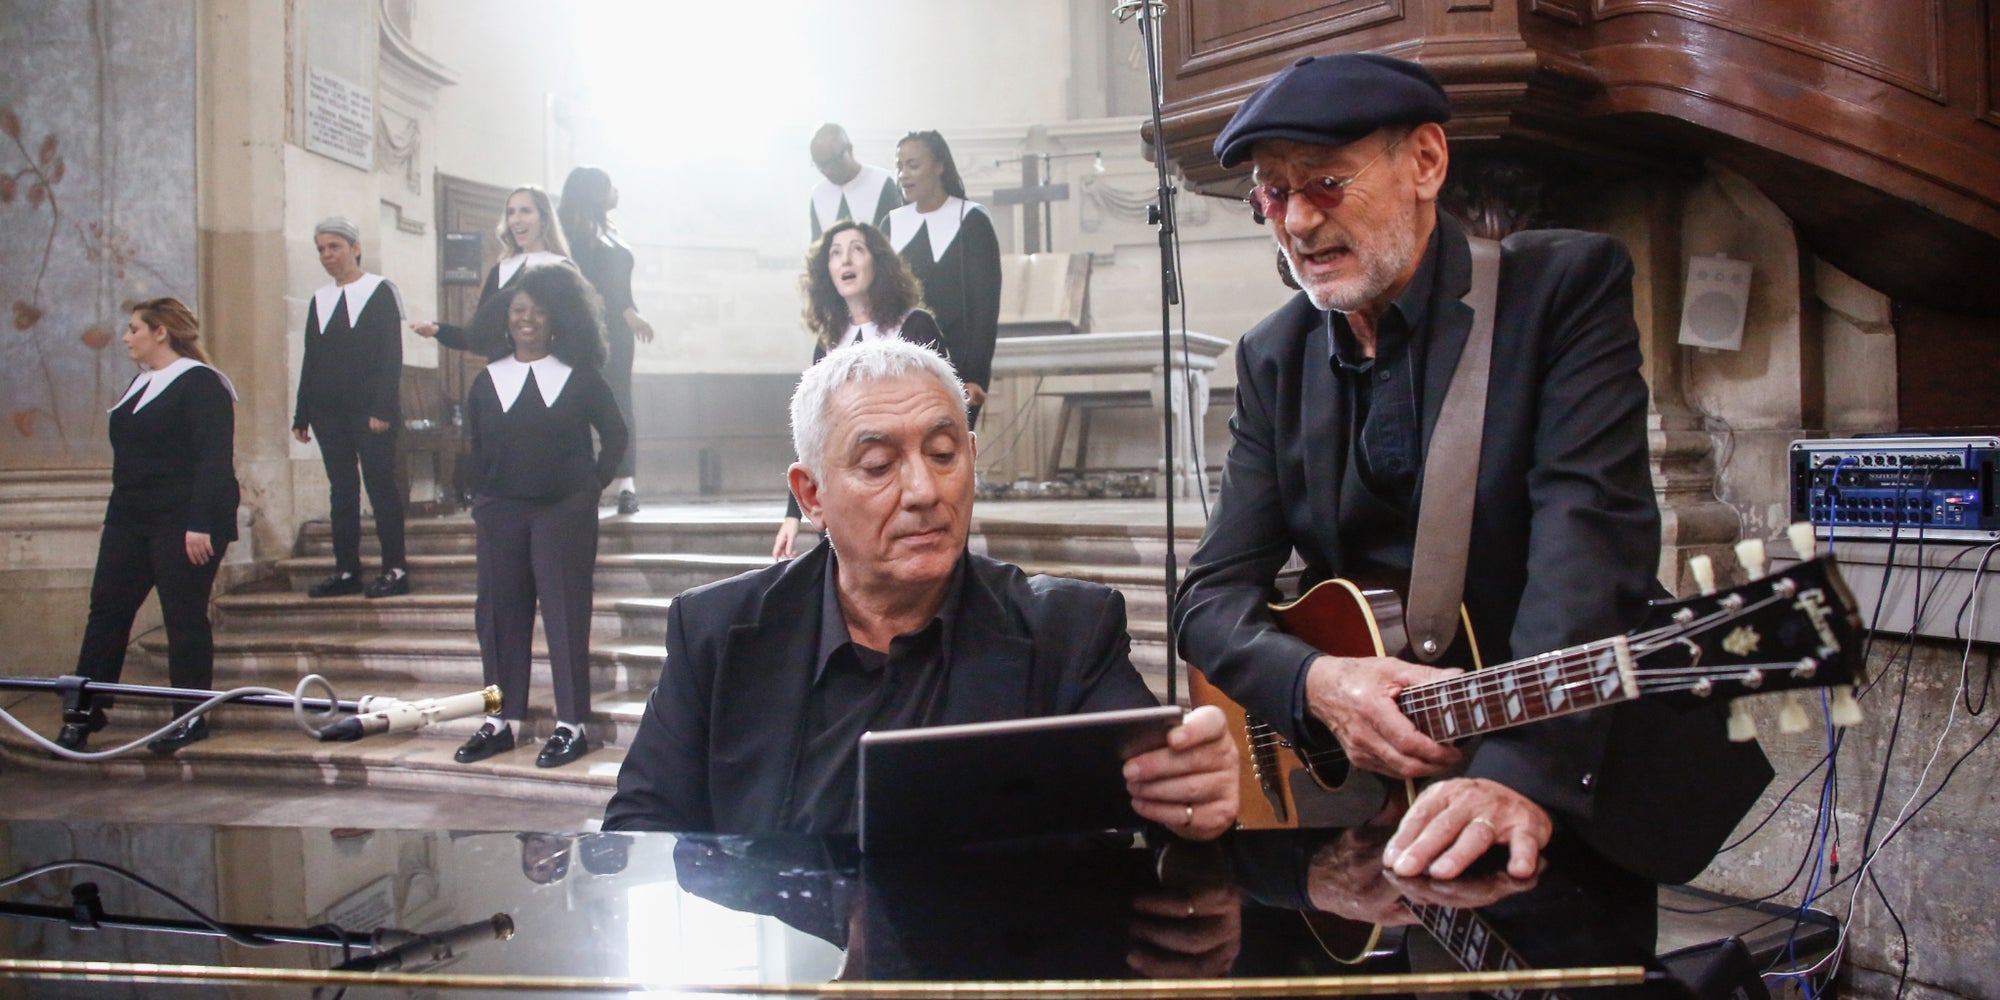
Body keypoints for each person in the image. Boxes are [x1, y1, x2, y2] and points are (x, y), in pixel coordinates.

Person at [1175, 54, 1771, 889]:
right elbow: (1207, 601)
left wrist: (1519, 769)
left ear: (1425, 162)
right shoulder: (1273, 356)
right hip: (1380, 814)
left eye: (1326, 185)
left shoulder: (1558, 289)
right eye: (1273, 195)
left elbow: (1589, 538)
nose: (1299, 222)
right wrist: (1318, 683)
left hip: (1567, 780)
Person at [605, 338, 1238, 838]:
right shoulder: (717, 632)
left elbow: (1147, 814)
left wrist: (1191, 799)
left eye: (942, 454)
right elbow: (640, 831)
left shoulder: (1067, 632)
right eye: (878, 465)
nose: (924, 491)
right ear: (812, 495)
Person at [453, 265, 629, 769]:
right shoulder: (488, 380)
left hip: (562, 511)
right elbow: (477, 445)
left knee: (565, 615)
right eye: (518, 310)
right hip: (500, 512)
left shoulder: (579, 377)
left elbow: (616, 434)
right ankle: (499, 721)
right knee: (497, 619)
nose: (526, 319)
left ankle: (571, 726)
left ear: (557, 319)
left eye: (538, 311)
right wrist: (483, 497)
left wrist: (591, 486)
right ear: (505, 318)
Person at [57, 298, 240, 755]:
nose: (125, 337)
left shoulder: (202, 383)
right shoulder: (139, 383)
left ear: (161, 332)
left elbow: (214, 459)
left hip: (185, 521)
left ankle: (190, 717)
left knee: (183, 617)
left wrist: (200, 523)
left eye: (134, 329)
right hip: (130, 518)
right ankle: (83, 714)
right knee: (106, 612)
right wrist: (114, 520)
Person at [771, 220, 948, 561]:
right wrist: (792, 516)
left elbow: (943, 415)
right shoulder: (828, 341)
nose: (846, 260)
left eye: (857, 250)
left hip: (904, 484)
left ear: (877, 262)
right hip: (847, 489)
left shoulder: (914, 324)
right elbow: (813, 435)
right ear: (827, 271)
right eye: (835, 253)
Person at [293, 216, 411, 600]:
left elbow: (391, 355)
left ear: (355, 248)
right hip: (328, 412)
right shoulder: (320, 299)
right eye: (321, 249)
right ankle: (346, 570)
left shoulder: (380, 291)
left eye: (334, 247)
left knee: (380, 487)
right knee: (341, 491)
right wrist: (301, 413)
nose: (327, 255)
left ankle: (395, 568)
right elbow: (312, 358)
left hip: (371, 411)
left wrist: (383, 408)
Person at [559, 166, 657, 515]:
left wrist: (629, 312)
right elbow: (594, 283)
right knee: (579, 402)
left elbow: (619, 284)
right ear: (593, 193)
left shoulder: (610, 233)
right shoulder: (572, 236)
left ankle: (626, 484)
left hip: (617, 332)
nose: (616, 192)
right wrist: (628, 312)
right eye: (609, 187)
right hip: (586, 327)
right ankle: (582, 481)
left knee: (620, 403)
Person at [885, 131, 1001, 427]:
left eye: (913, 165)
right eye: (899, 166)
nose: (903, 174)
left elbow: (984, 307)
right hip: (899, 366)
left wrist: (975, 375)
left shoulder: (972, 220)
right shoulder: (891, 223)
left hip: (956, 364)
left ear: (939, 166)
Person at [410, 185, 573, 359]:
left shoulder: (562, 268)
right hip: (502, 369)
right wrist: (438, 330)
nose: (516, 219)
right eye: (511, 212)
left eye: (525, 211)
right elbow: (479, 334)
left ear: (544, 218)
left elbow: (573, 335)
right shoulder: (501, 269)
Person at [809, 123, 902, 241]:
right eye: (820, 165)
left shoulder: (884, 183)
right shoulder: (818, 194)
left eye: (831, 162)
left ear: (849, 149)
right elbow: (817, 245)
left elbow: (896, 238)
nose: (826, 170)